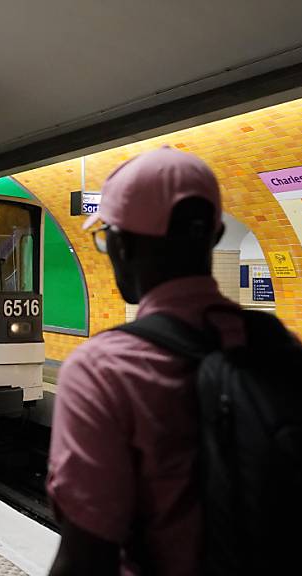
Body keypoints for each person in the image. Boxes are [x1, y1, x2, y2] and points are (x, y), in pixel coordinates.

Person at [48, 147, 247, 575]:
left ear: (121, 244)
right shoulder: (276, 346)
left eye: (105, 237)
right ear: (214, 237)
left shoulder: (103, 371)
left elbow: (86, 557)